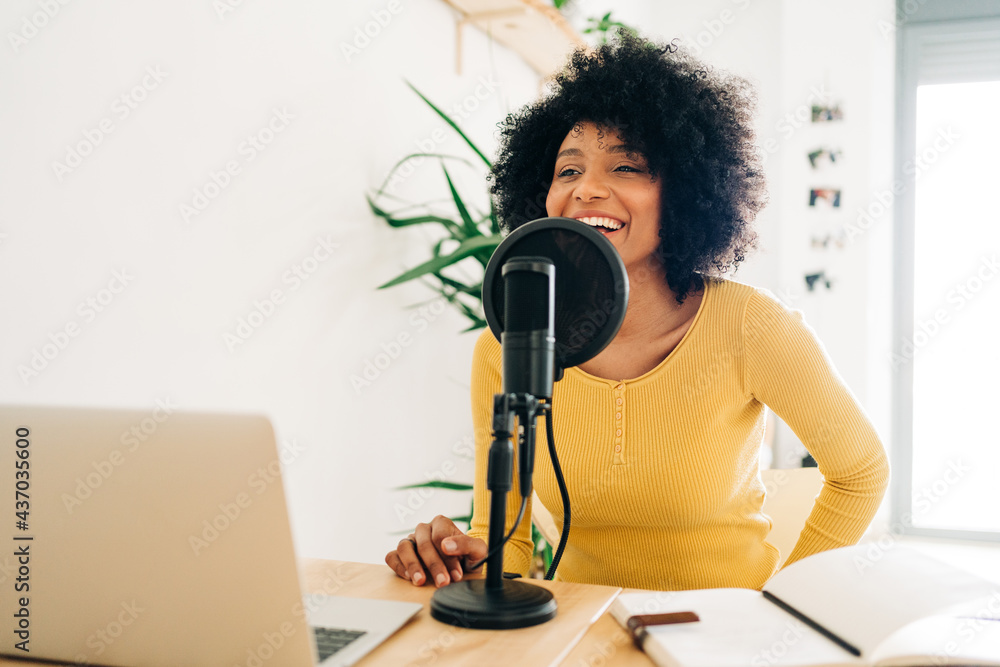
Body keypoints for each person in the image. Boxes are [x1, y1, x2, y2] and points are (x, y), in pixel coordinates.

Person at [385, 33, 888, 591]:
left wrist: (785, 610)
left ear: (684, 191)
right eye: (568, 171)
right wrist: (464, 563)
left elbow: (860, 473)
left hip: (724, 636)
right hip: (582, 632)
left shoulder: (751, 326)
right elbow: (507, 538)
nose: (587, 190)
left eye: (626, 167)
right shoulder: (510, 344)